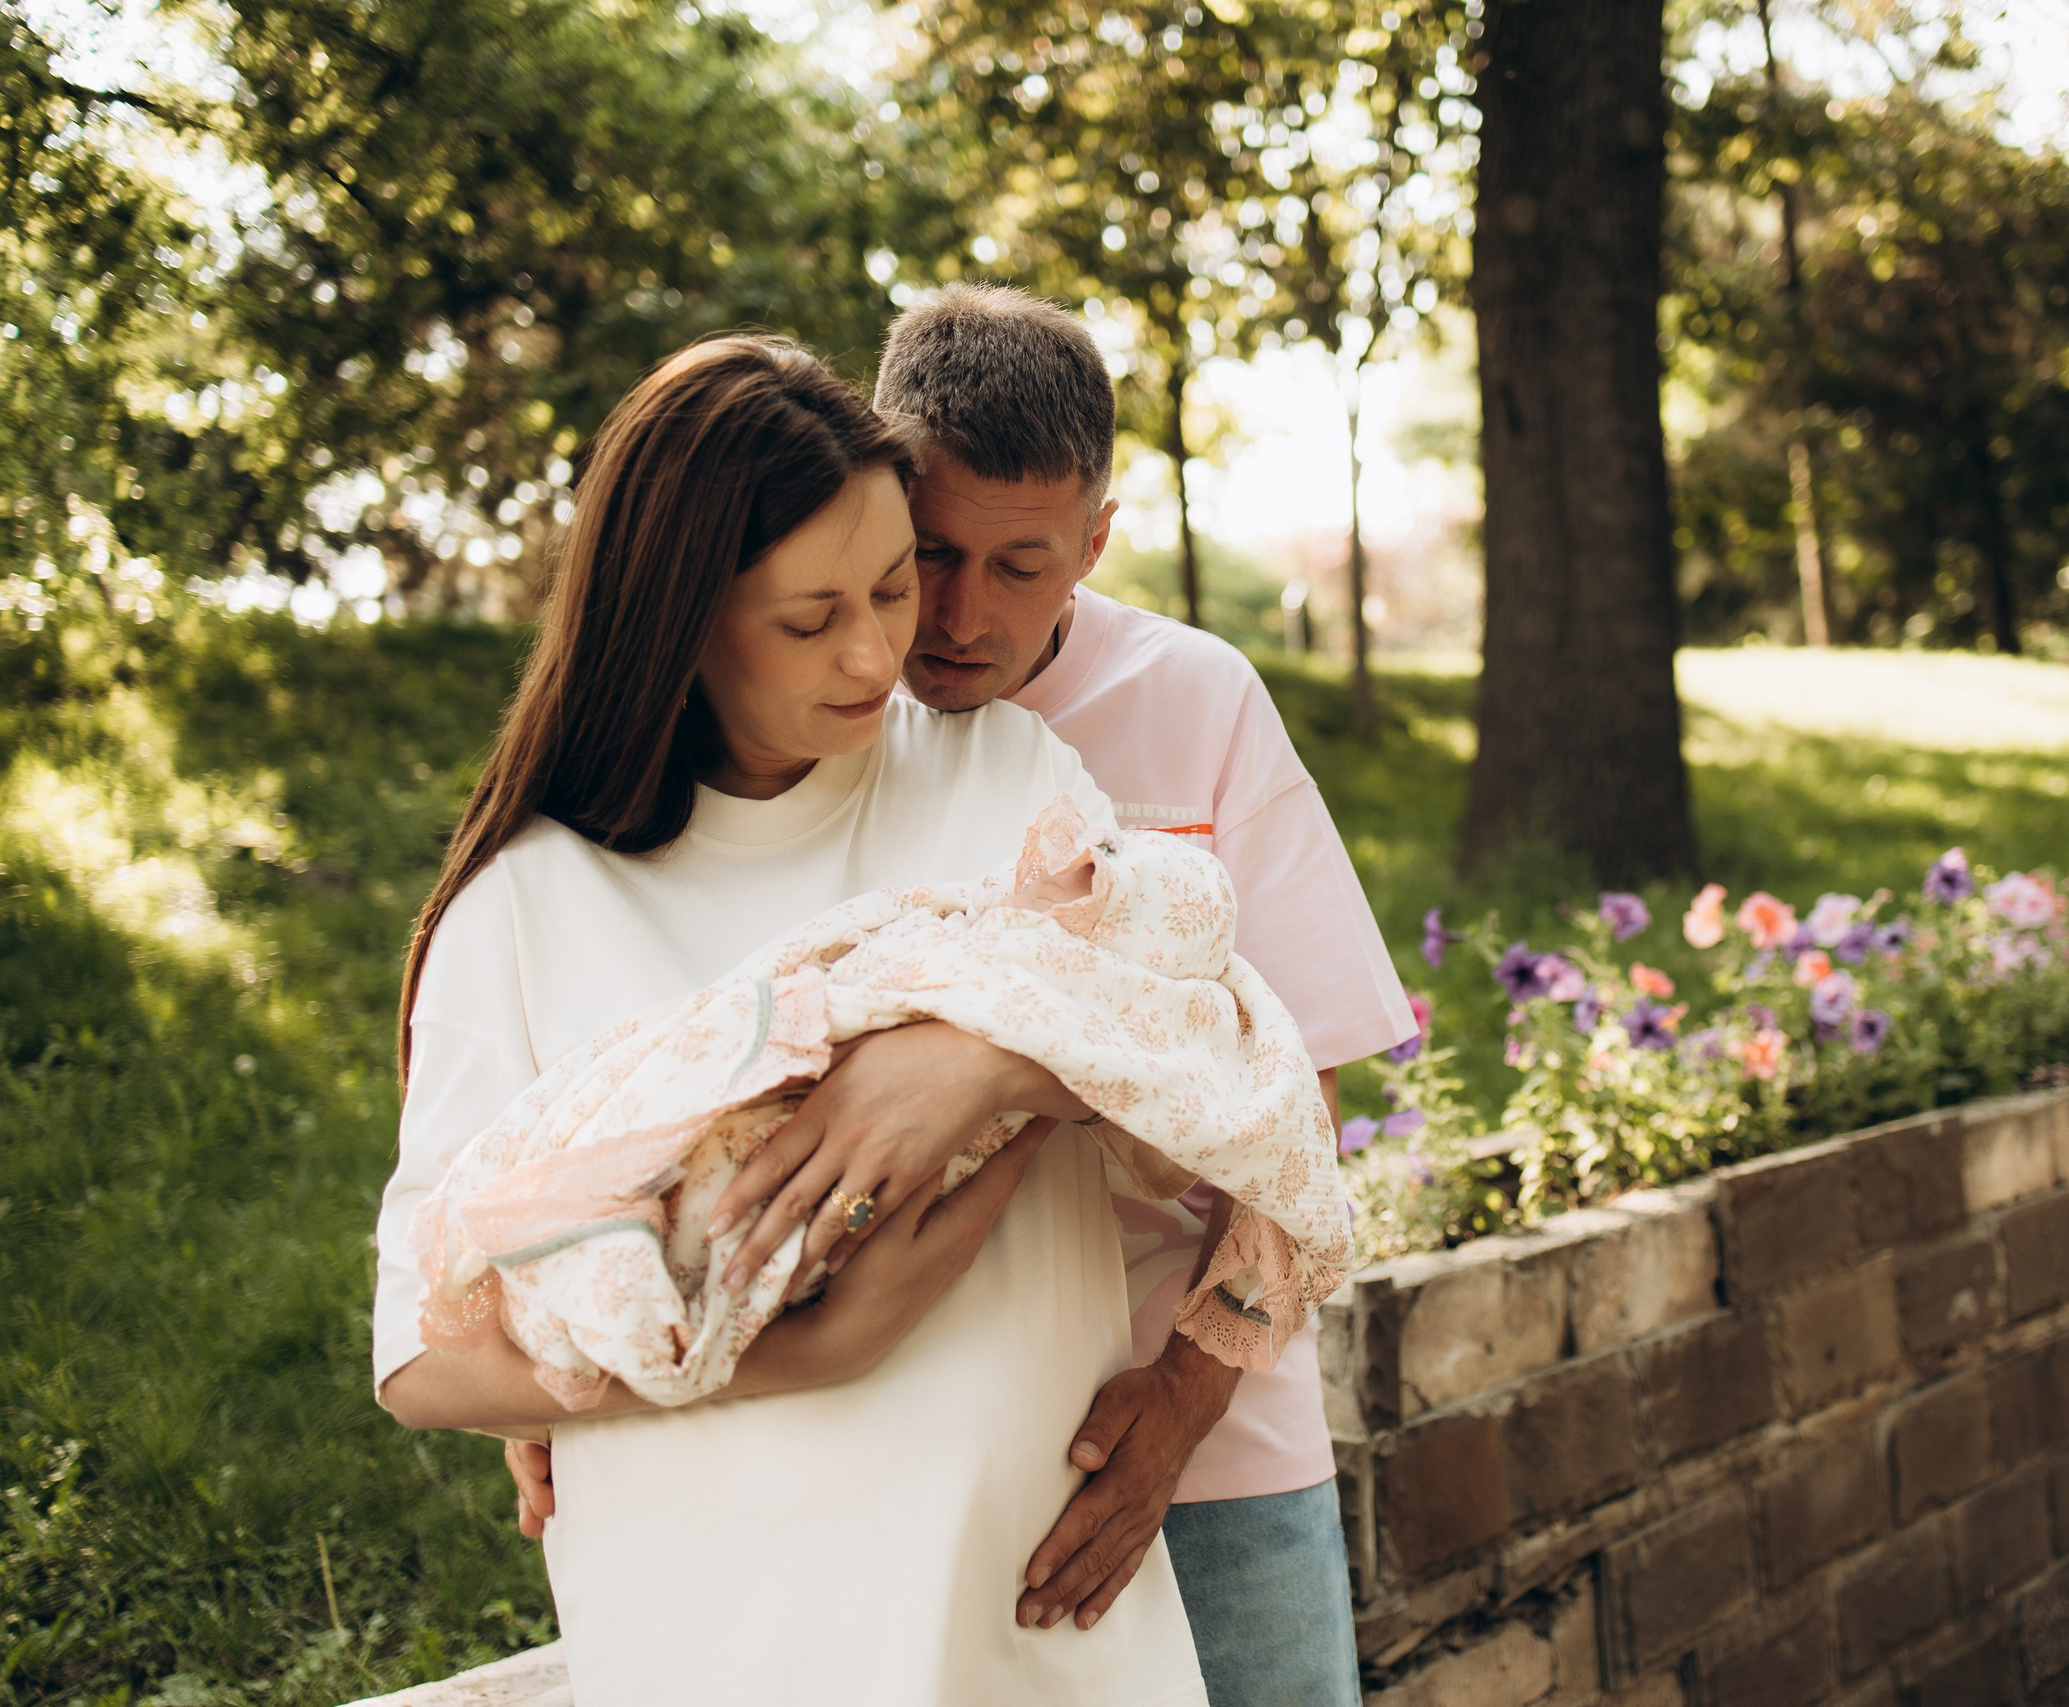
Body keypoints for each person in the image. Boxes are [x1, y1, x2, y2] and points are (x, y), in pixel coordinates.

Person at [505, 289, 1417, 1702]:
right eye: (927, 555)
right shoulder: (802, 711)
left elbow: (1306, 1078)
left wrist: (1187, 1399)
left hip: (1206, 1433)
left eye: (1023, 565)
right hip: (912, 1438)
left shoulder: (1203, 701)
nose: (956, 620)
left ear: (1096, 543)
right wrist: (569, 1326)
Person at [373, 333, 1212, 1706]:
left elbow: (1192, 1030)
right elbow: (417, 1357)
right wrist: (802, 1352)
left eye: (894, 584)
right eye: (811, 620)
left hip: (1044, 1624)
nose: (884, 651)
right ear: (677, 618)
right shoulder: (530, 906)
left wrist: (983, 1057)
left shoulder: (998, 774)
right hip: (729, 1632)